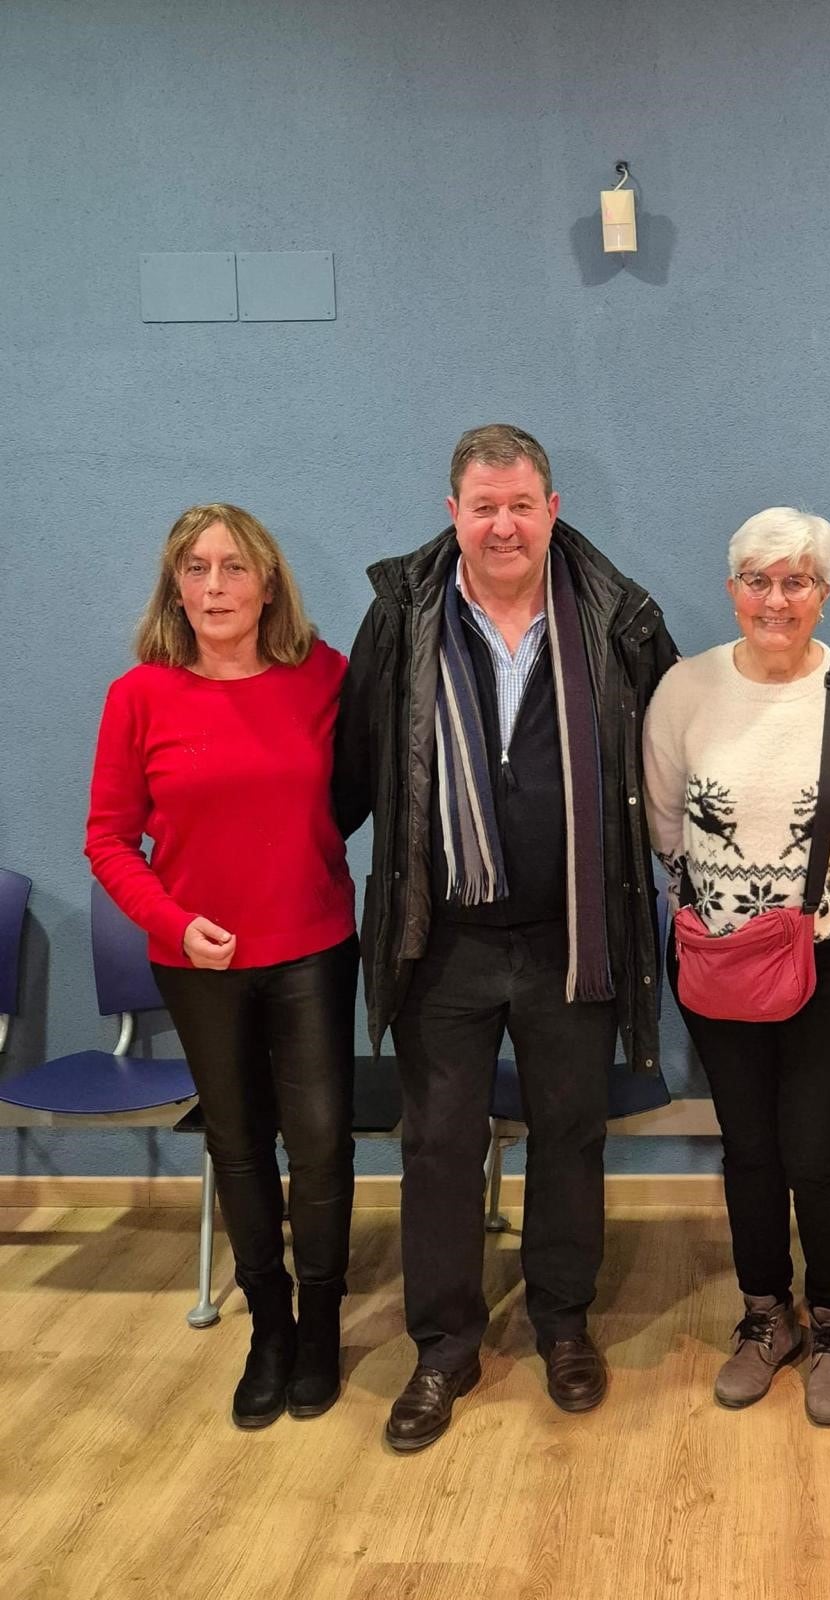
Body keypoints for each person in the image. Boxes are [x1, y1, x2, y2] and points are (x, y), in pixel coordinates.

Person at [334, 424, 676, 1452]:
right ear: (453, 514)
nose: (503, 524)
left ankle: (563, 1321)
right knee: (439, 1144)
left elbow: (672, 751)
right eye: (483, 506)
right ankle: (443, 1346)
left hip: (574, 932)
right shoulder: (401, 615)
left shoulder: (619, 617)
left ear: (553, 508)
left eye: (521, 504)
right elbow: (354, 766)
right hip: (440, 938)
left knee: (571, 1133)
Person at [643, 507, 830, 1427]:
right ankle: (766, 1317)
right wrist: (729, 912)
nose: (776, 599)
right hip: (720, 967)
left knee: (817, 1153)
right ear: (732, 589)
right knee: (750, 1153)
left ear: (824, 593)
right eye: (758, 580)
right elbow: (662, 826)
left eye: (796, 580)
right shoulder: (684, 691)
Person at [85, 503, 358, 1429]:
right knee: (238, 1147)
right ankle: (269, 1328)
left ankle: (321, 1325)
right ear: (174, 586)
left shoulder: (323, 677)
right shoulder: (139, 697)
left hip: (313, 950)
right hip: (198, 963)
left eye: (234, 568)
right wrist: (169, 916)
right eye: (194, 569)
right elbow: (109, 839)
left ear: (268, 583)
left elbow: (359, 791)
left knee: (320, 1147)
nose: (213, 587)